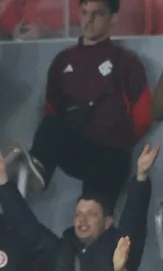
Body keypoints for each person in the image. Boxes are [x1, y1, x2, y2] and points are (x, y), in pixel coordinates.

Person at [26, 0, 149, 202]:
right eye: (84, 13)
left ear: (113, 18)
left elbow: (144, 114)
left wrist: (118, 137)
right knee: (50, 126)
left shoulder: (126, 61)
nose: (88, 20)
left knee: (96, 219)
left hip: (111, 154)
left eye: (97, 14)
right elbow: (51, 109)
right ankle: (38, 171)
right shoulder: (62, 60)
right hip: (79, 146)